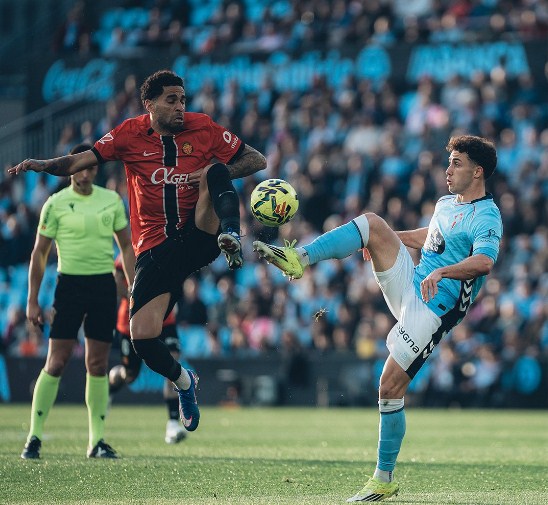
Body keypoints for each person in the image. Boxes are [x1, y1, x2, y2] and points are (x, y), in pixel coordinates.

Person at [9, 69, 267, 433]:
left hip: (199, 235)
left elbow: (257, 160)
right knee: (142, 336)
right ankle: (184, 382)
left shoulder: (204, 127)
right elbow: (80, 161)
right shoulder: (128, 134)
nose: (180, 107)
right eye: (171, 100)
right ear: (150, 104)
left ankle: (230, 234)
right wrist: (43, 165)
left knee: (214, 171)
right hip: (155, 248)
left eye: (183, 100)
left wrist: (217, 170)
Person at [254, 135, 502, 502]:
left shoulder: (487, 215)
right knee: (371, 224)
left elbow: (484, 262)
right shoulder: (446, 203)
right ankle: (299, 258)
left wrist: (442, 272)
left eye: (457, 163)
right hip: (413, 283)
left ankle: (383, 479)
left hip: (434, 309)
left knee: (389, 388)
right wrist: (389, 239)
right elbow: (433, 237)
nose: (448, 170)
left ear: (478, 171)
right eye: (449, 162)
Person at [21, 143, 135, 459]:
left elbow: (126, 247)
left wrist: (132, 286)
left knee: (97, 364)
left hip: (102, 288)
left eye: (91, 167)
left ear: (96, 170)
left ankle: (96, 441)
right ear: (71, 168)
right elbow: (40, 253)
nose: (85, 173)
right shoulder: (55, 204)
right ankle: (34, 437)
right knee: (56, 361)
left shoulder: (111, 200)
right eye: (80, 167)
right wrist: (32, 299)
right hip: (69, 287)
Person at [108, 255, 187, 444]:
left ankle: (172, 424)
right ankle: (109, 386)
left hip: (165, 318)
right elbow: (117, 283)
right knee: (129, 374)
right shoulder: (128, 253)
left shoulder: (169, 247)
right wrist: (136, 296)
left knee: (172, 362)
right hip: (133, 321)